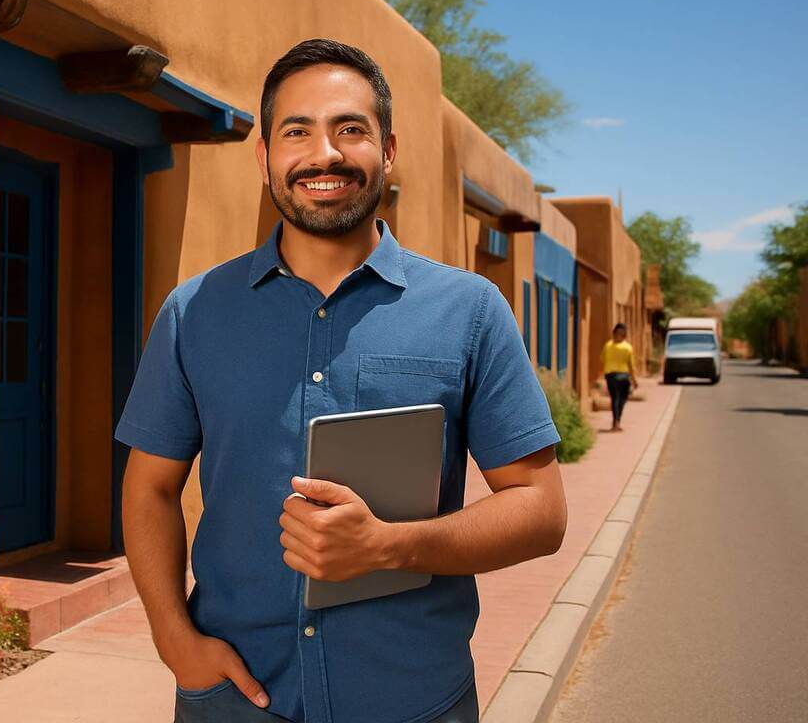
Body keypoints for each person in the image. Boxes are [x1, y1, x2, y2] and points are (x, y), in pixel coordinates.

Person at [114, 39, 568, 723]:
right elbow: (150, 487)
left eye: (349, 129)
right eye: (297, 131)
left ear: (387, 151)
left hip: (414, 698)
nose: (323, 154)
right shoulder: (193, 312)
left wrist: (392, 545)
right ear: (265, 154)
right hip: (234, 702)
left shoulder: (470, 311)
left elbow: (540, 509)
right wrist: (176, 642)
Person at [600, 322, 639, 431]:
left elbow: (602, 359)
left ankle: (615, 421)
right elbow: (631, 365)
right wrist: (634, 380)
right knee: (622, 399)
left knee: (615, 398)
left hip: (610, 375)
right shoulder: (628, 347)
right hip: (623, 376)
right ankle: (617, 421)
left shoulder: (607, 345)